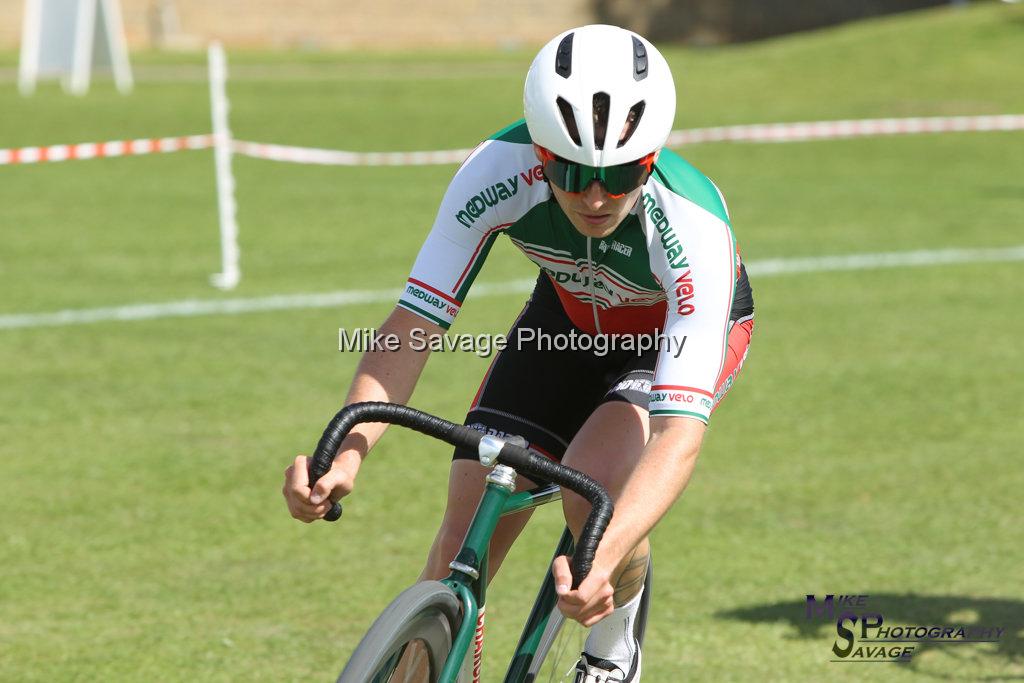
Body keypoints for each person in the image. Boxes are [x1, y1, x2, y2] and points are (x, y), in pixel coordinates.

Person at [283, 24, 754, 682]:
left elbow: (678, 436)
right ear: (539, 153)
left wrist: (604, 554)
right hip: (562, 322)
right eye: (570, 171)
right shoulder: (496, 171)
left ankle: (614, 650)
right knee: (462, 532)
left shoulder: (693, 225)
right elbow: (414, 322)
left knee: (594, 488)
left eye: (620, 174)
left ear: (650, 159)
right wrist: (349, 451)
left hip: (665, 341)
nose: (594, 196)